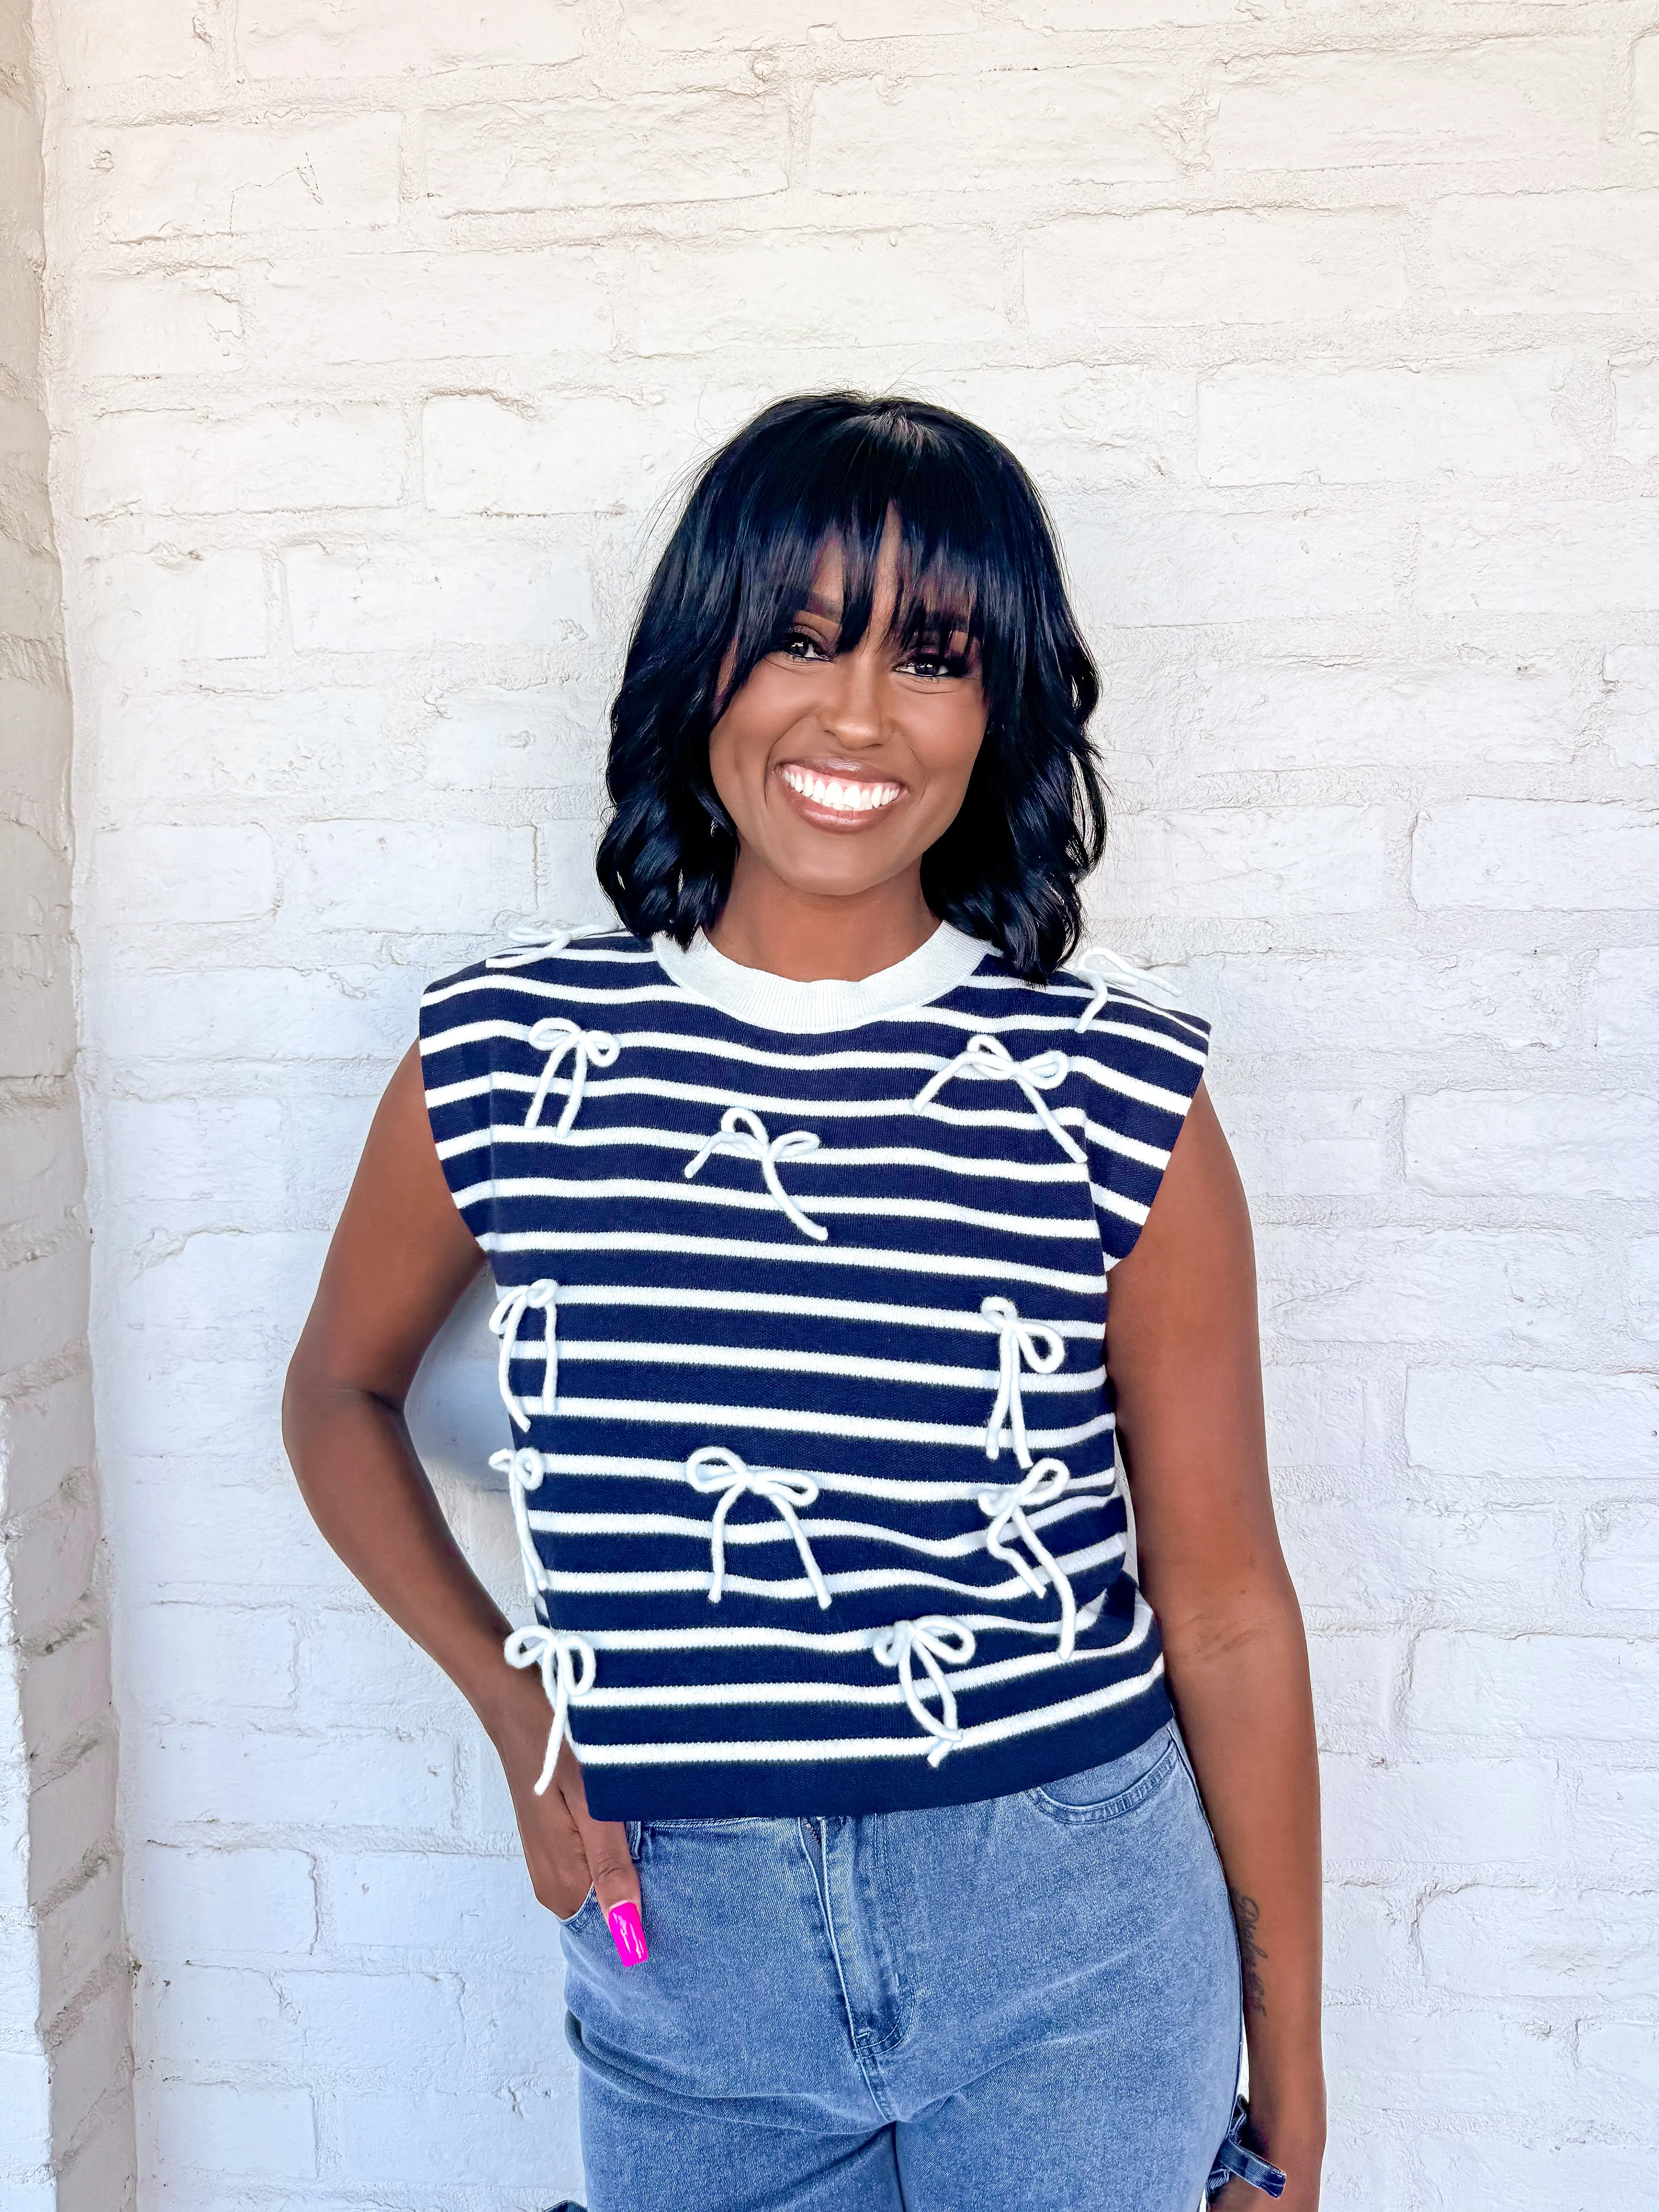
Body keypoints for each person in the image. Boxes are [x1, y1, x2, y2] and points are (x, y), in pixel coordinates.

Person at [284, 393, 1324, 2212]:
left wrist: (1288, 2090)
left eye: (934, 657)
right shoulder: (508, 1058)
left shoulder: (1115, 1086)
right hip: (686, 1945)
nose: (856, 715)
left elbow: (1223, 1604)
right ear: (707, 664)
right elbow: (337, 1398)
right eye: (800, 636)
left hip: (1074, 1931)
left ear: (998, 711)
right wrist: (518, 1705)